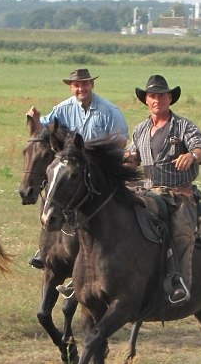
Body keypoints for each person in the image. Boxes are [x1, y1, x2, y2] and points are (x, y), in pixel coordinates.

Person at [27, 67, 128, 268]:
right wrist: (35, 120)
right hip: (72, 169)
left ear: (92, 85)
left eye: (84, 84)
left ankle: (117, 244)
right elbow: (44, 132)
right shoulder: (62, 109)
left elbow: (121, 142)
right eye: (76, 85)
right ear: (71, 87)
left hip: (100, 170)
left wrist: (93, 153)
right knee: (52, 193)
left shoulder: (109, 111)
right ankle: (47, 246)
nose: (81, 88)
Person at [124, 74, 201, 305]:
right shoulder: (140, 129)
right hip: (147, 192)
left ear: (170, 98)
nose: (156, 100)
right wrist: (128, 159)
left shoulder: (183, 126)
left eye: (161, 95)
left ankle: (180, 282)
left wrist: (191, 156)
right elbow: (133, 156)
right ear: (146, 100)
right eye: (152, 96)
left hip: (178, 194)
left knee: (182, 233)